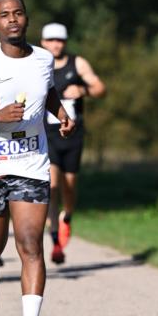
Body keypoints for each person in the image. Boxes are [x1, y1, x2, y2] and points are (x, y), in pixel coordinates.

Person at [0, 0, 75, 316]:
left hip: (32, 164)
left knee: (31, 243)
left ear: (26, 19)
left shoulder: (45, 58)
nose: (12, 19)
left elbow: (46, 92)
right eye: (4, 15)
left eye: (18, 13)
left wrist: (60, 113)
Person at [41, 23, 106, 263]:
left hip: (73, 135)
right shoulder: (39, 63)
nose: (55, 45)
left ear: (65, 43)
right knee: (52, 185)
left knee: (69, 185)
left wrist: (84, 90)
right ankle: (56, 242)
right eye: (50, 40)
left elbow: (101, 88)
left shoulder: (77, 63)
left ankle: (67, 216)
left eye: (60, 41)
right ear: (43, 42)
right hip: (48, 134)